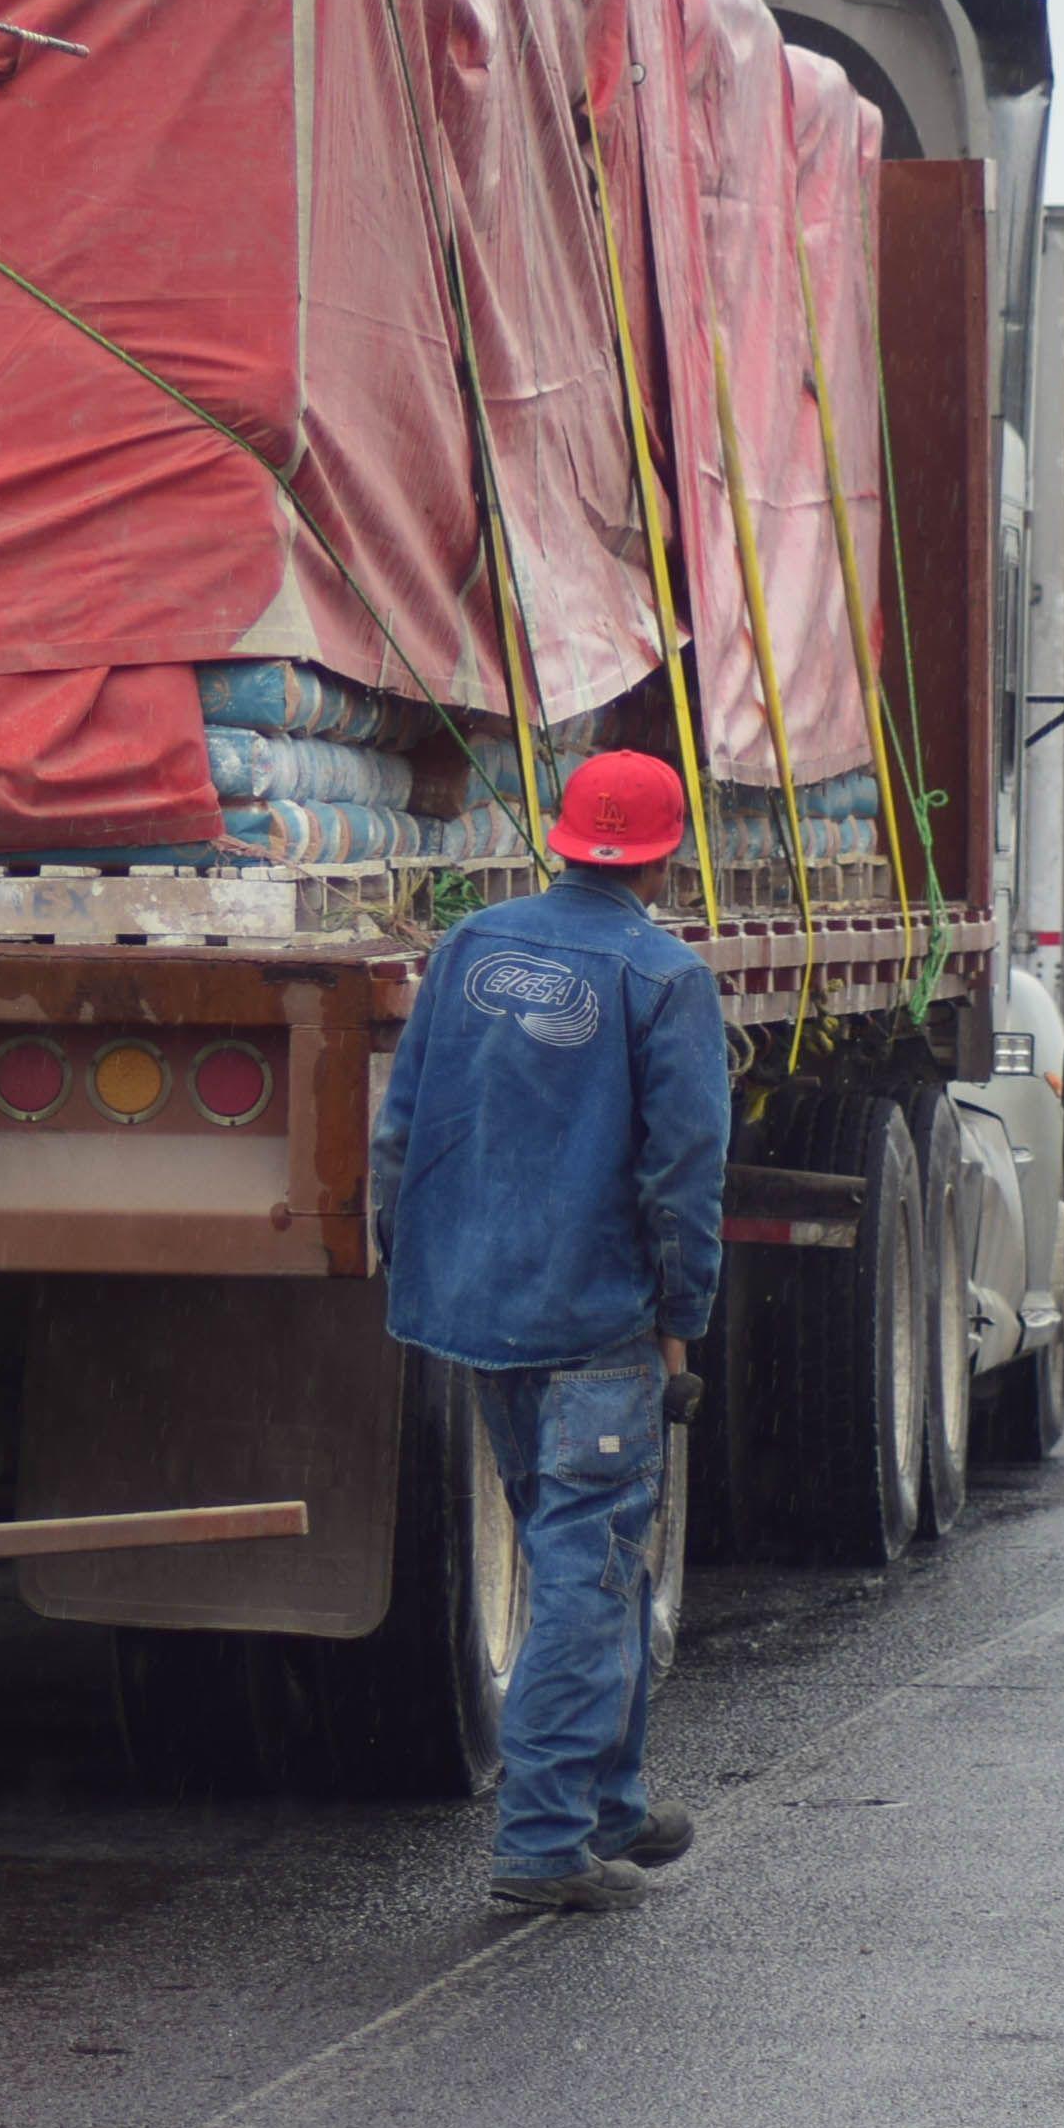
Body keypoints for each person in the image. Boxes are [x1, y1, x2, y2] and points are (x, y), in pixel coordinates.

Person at [371, 748, 728, 1913]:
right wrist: (683, 1321)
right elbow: (684, 1173)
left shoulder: (470, 947)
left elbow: (405, 1122)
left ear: (564, 840)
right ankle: (541, 1840)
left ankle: (611, 1800)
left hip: (484, 1310)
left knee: (591, 1554)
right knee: (585, 1571)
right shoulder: (664, 978)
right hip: (593, 1320)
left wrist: (416, 1259)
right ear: (663, 861)